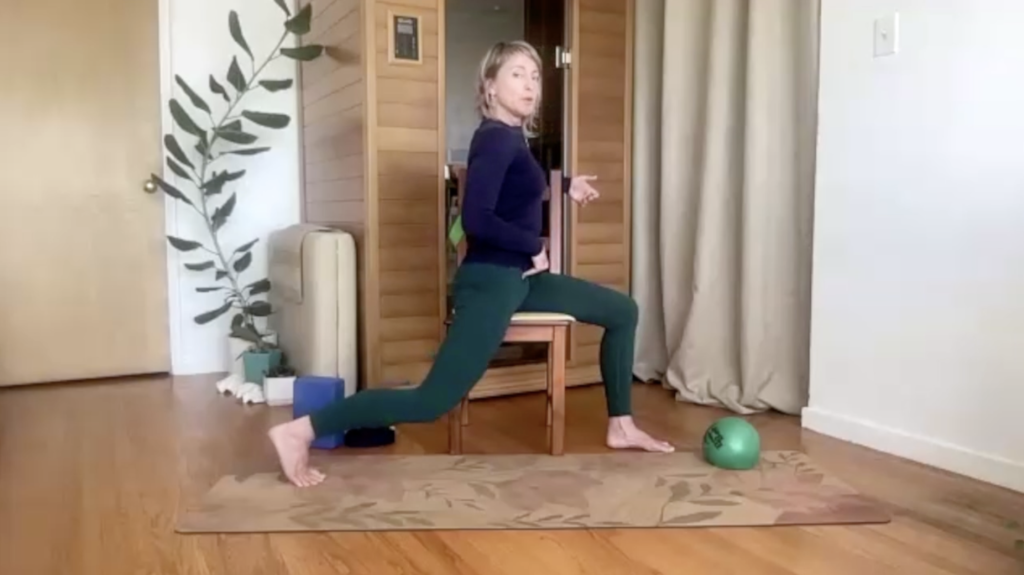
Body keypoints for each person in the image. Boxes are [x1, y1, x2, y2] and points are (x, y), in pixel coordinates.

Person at [269, 40, 674, 488]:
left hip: (519, 279)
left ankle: (621, 425)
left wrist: (565, 186)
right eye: (517, 74)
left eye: (535, 76)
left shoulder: (510, 137)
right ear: (490, 86)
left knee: (622, 311)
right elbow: (475, 219)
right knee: (431, 401)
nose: (530, 84)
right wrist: (531, 245)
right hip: (491, 282)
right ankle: (299, 431)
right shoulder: (496, 140)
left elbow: (514, 191)